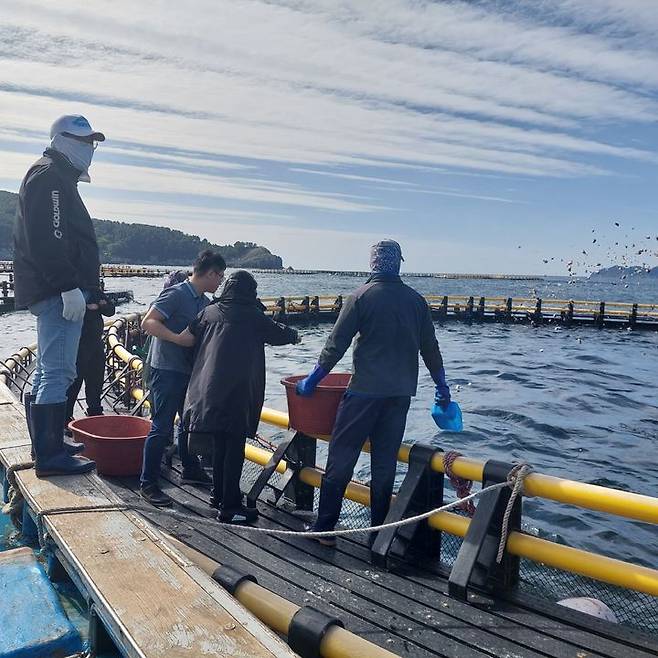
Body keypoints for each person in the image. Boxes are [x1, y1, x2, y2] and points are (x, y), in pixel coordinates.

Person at [296, 240, 451, 546]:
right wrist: (442, 386)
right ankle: (378, 535)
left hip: (364, 394)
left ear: (372, 264)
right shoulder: (417, 302)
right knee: (385, 466)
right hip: (399, 396)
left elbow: (335, 345)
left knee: (341, 459)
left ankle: (326, 529)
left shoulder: (360, 297)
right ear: (399, 264)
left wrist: (313, 380)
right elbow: (430, 350)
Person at [13, 114, 105, 478]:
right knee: (59, 370)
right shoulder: (50, 176)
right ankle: (50, 455)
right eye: (83, 141)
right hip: (57, 290)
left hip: (54, 288)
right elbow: (49, 237)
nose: (89, 148)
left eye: (92, 142)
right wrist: (68, 285)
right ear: (61, 140)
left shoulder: (54, 175)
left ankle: (46, 444)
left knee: (52, 369)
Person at [176, 270, 299, 523]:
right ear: (249, 292)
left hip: (206, 392)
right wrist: (296, 335)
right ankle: (230, 506)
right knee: (234, 449)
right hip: (237, 393)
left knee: (220, 445)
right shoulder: (252, 316)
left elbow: (190, 337)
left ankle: (218, 495)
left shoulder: (209, 312)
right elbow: (280, 334)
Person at [139, 250, 226, 507]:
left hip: (187, 371)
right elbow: (148, 322)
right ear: (209, 273)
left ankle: (190, 467)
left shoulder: (204, 302)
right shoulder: (176, 294)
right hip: (166, 370)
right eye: (219, 275)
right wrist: (177, 338)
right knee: (161, 426)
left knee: (188, 422)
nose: (220, 280)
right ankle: (148, 483)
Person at [64, 289, 116, 427]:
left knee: (96, 377)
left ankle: (95, 410)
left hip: (96, 342)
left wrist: (99, 306)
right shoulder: (72, 291)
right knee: (75, 380)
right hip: (78, 342)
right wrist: (97, 306)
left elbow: (110, 310)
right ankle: (65, 415)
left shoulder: (95, 290)